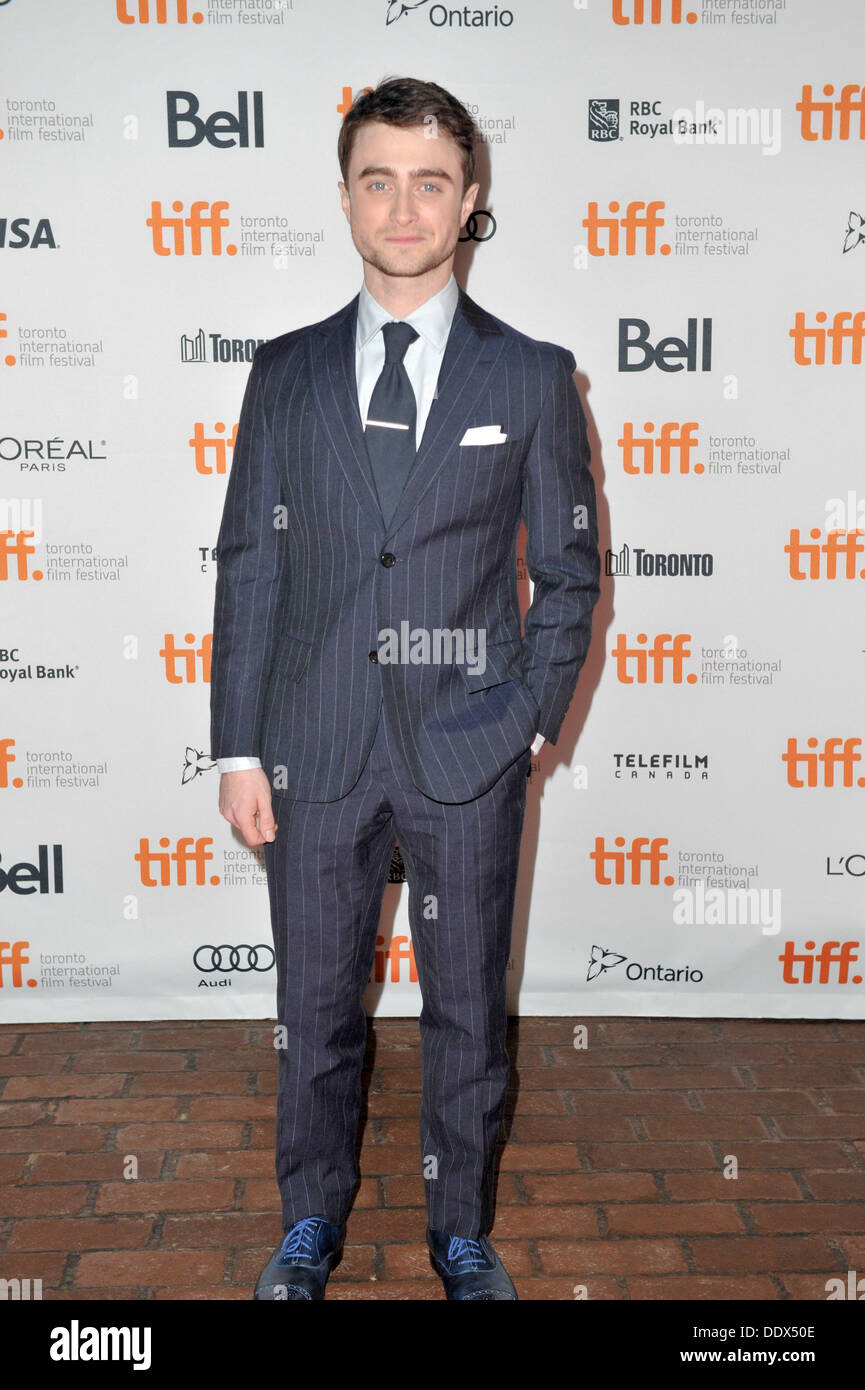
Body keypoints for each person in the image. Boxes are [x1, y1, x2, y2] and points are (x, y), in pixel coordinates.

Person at [210, 76, 600, 1301]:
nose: (403, 204)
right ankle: (309, 1222)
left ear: (469, 199)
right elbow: (251, 565)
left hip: (466, 749)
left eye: (430, 181)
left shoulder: (532, 377)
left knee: (467, 1015)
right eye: (377, 178)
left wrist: (525, 720)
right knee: (315, 1010)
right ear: (344, 195)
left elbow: (572, 574)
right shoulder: (282, 373)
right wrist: (235, 748)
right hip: (313, 750)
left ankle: (461, 1229)